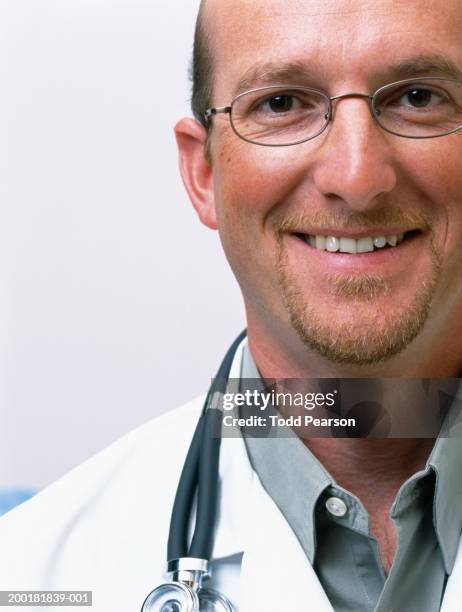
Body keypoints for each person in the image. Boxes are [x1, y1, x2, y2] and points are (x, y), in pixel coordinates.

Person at [1, 0, 462, 610]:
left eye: (419, 98)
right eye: (281, 103)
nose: (355, 174)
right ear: (203, 174)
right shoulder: (35, 575)